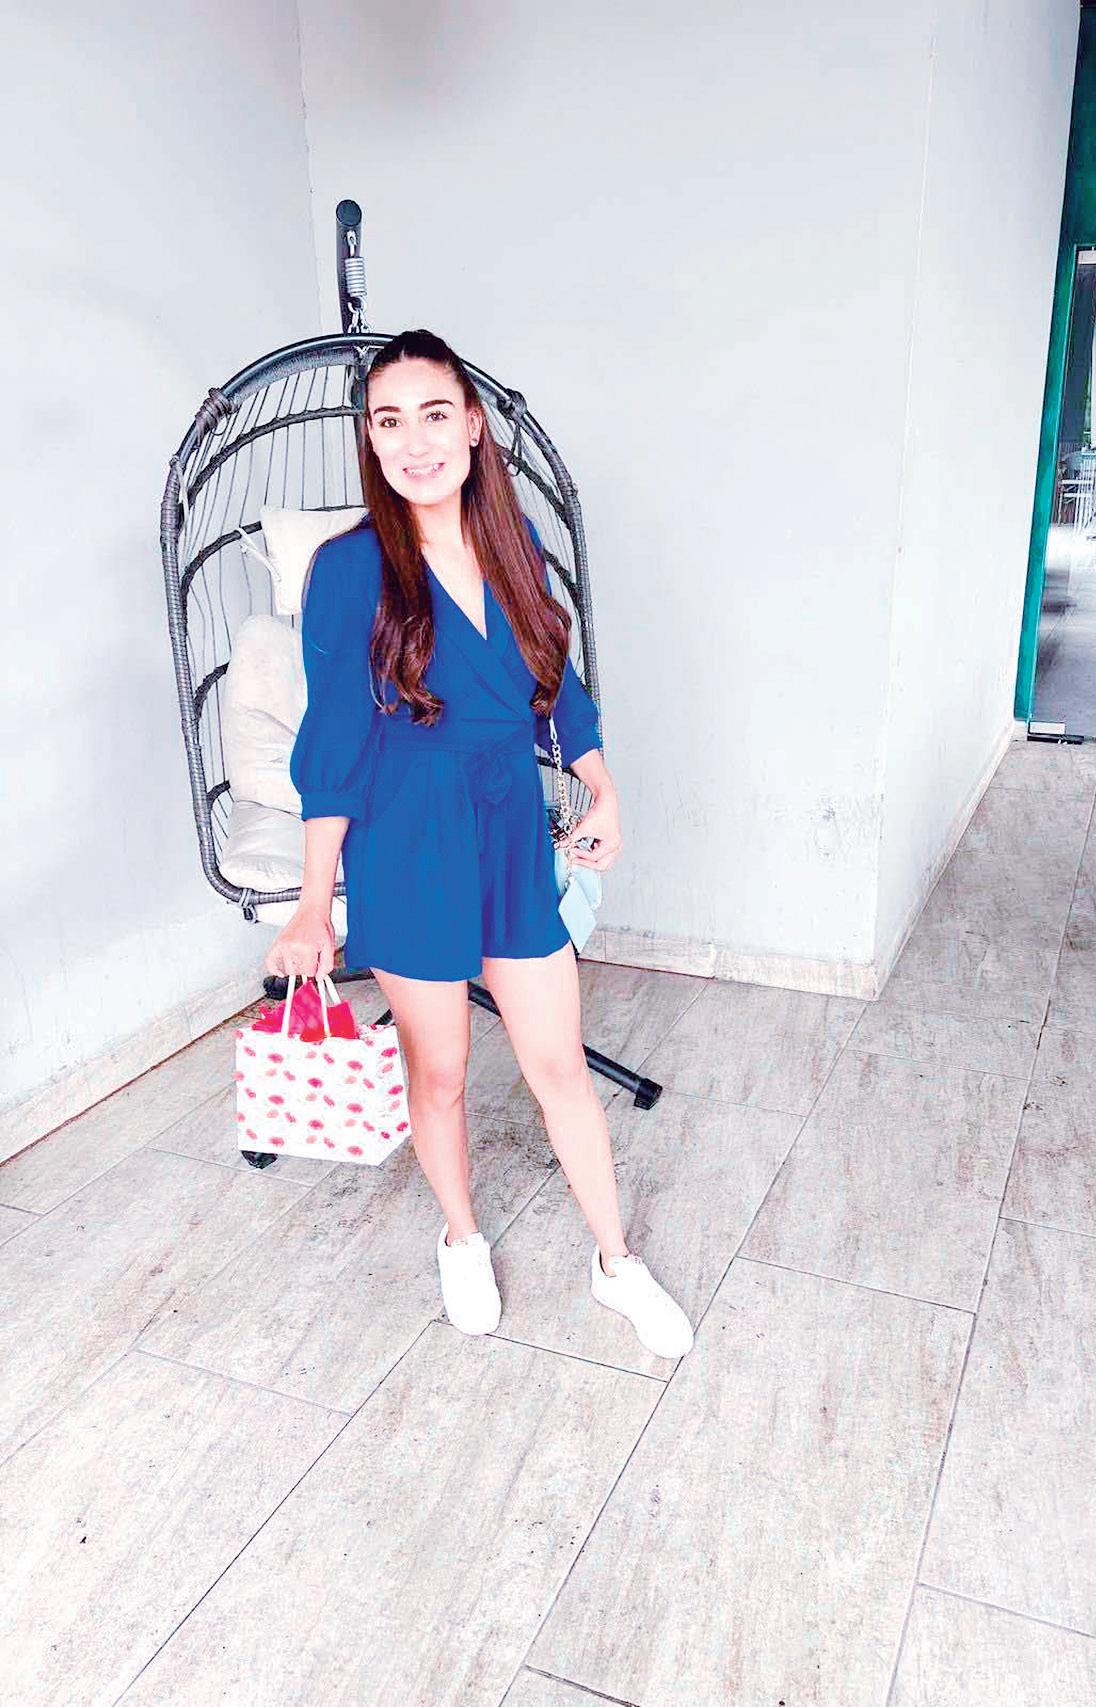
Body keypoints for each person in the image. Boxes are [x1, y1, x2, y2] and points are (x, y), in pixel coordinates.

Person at [263, 328, 693, 1360]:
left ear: (471, 426)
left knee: (557, 1065)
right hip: (404, 839)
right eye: (389, 421)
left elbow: (556, 684)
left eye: (433, 415)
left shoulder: (514, 543)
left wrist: (602, 786)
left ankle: (615, 1261)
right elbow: (334, 744)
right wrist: (315, 902)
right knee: (443, 1068)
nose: (413, 442)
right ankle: (460, 1238)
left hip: (506, 830)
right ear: (371, 440)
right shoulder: (346, 568)